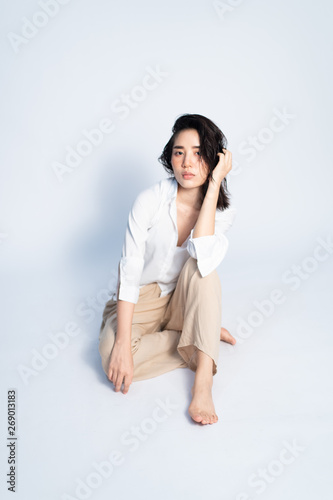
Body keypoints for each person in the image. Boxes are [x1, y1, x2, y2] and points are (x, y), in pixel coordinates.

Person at [98, 113, 237, 425]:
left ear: (215, 159)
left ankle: (203, 379)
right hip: (143, 297)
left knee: (203, 269)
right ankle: (203, 334)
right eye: (179, 152)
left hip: (183, 299)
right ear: (169, 157)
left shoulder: (224, 212)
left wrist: (214, 184)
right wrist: (122, 343)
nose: (187, 163)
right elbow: (130, 271)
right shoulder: (149, 200)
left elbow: (202, 254)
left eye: (199, 153)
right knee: (111, 356)